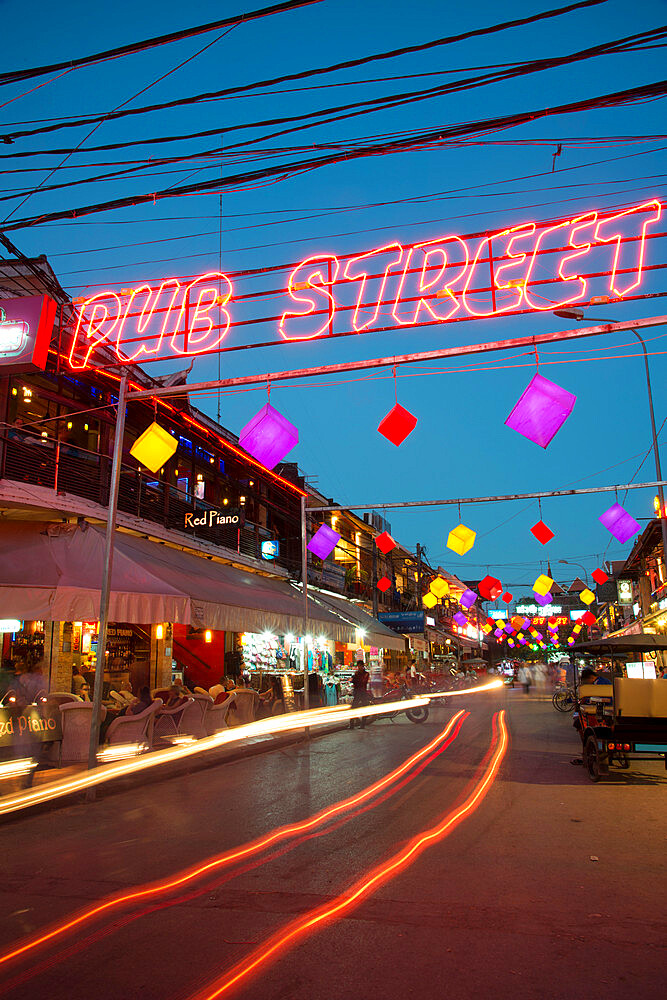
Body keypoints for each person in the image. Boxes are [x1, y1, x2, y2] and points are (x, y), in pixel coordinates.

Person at [350, 659, 370, 729]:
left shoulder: (365, 674)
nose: (359, 667)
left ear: (362, 666)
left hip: (362, 692)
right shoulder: (357, 673)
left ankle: (362, 724)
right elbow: (353, 681)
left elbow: (361, 682)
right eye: (358, 666)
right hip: (358, 692)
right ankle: (352, 724)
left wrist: (355, 681)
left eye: (360, 666)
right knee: (353, 708)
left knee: (363, 708)